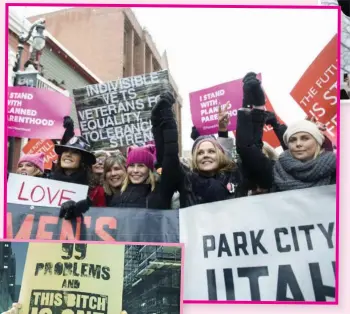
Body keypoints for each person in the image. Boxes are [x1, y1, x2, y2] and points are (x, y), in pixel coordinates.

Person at [151, 91, 245, 208]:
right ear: (195, 158)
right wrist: (164, 120)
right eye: (200, 153)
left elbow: (249, 149)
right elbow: (169, 158)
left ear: (220, 155)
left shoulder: (235, 175)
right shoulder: (187, 180)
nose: (205, 155)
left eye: (211, 151)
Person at [274, 119, 336, 191]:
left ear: (317, 141)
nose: (298, 144)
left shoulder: (337, 169)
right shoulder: (277, 169)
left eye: (305, 138)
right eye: (292, 140)